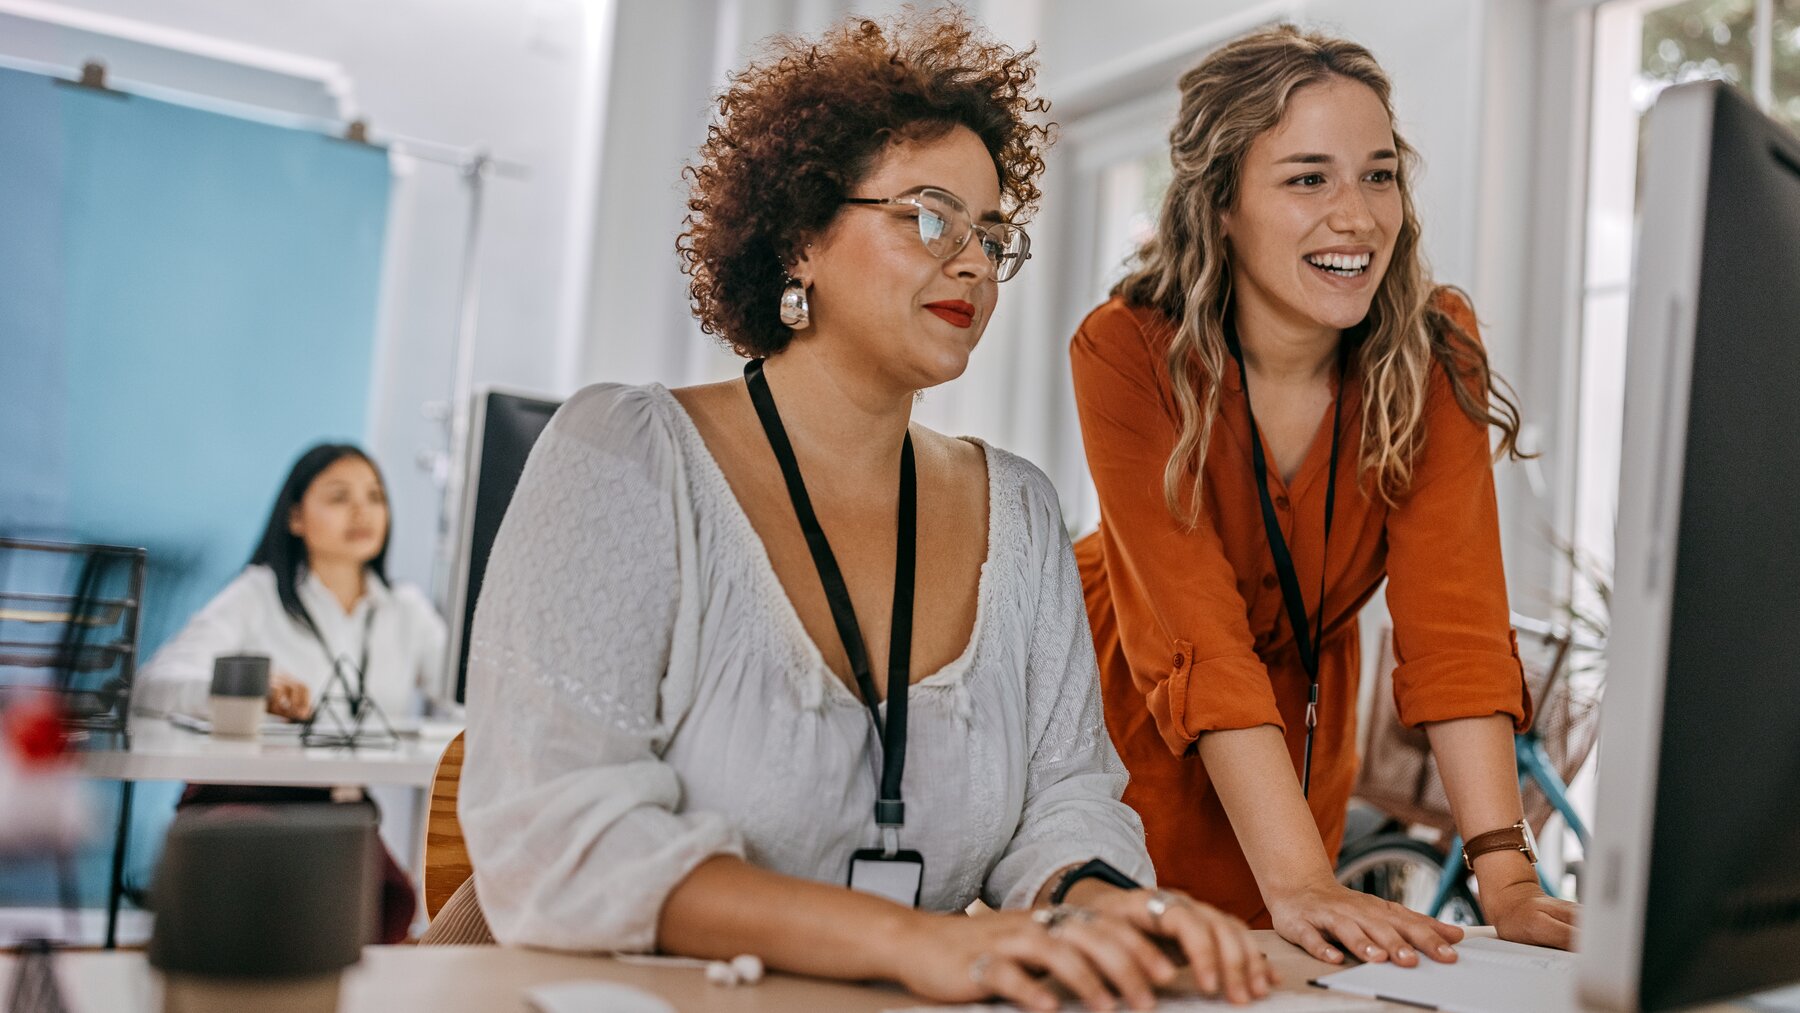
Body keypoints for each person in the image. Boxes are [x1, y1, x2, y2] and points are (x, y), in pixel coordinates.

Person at [456, 11, 1273, 1011]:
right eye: (930, 217)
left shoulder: (1018, 510)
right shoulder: (625, 454)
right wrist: (910, 941)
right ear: (800, 235)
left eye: (991, 234)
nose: (972, 260)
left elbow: (1066, 803)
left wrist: (1101, 906)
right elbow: (565, 836)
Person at [1069, 24, 1579, 971]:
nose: (1358, 216)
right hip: (1131, 713)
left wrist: (1507, 874)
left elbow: (1456, 627)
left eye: (1379, 175)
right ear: (1220, 202)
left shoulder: (1434, 351)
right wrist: (1299, 877)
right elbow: (1198, 638)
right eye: (1309, 178)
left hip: (1302, 726)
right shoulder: (1126, 349)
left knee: (1298, 977)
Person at [136, 442, 446, 943]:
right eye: (340, 497)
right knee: (283, 912)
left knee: (389, 908)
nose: (362, 511)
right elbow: (154, 685)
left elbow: (468, 695)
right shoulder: (257, 594)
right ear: (296, 518)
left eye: (375, 497)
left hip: (341, 813)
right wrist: (248, 687)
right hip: (240, 799)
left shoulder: (406, 611)